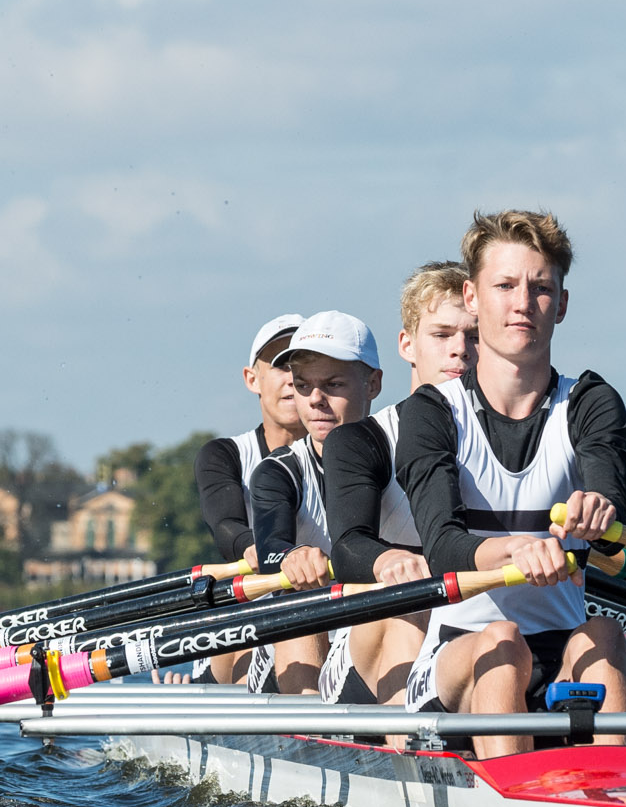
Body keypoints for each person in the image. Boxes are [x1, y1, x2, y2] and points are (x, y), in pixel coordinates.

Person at [397, 210, 626, 755]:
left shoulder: (592, 403)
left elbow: (612, 506)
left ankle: (624, 791)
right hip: (460, 656)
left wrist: (600, 513)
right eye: (504, 285)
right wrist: (515, 549)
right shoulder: (431, 414)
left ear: (563, 304)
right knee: (502, 642)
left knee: (604, 632)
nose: (523, 302)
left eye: (540, 287)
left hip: (562, 652)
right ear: (473, 298)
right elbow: (442, 548)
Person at [320, 262, 476, 705]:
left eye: (474, 336)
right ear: (407, 345)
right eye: (442, 335)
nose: (460, 351)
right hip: (376, 639)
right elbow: (348, 546)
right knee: (412, 602)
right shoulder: (361, 441)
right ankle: (413, 753)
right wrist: (389, 560)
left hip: (474, 628)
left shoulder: (515, 436)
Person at [246, 312, 384, 696]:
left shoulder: (405, 455)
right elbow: (272, 547)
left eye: (333, 384)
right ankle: (310, 734)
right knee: (297, 601)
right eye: (303, 386)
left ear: (373, 383)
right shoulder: (279, 472)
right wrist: (292, 556)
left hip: (373, 631)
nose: (315, 400)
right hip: (297, 641)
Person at [192, 311, 304, 682]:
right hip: (251, 605)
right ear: (252, 379)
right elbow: (226, 526)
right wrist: (256, 548)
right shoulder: (225, 455)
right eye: (280, 365)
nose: (293, 378)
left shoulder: (354, 452)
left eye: (303, 365)